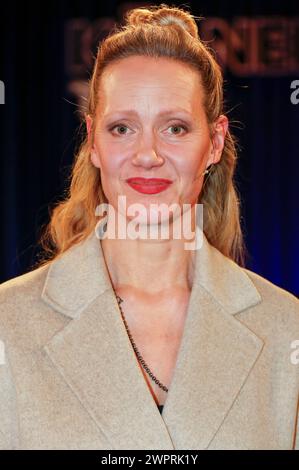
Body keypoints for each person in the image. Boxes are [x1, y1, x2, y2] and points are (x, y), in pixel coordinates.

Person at [0, 4, 298, 450]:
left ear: (214, 143)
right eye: (122, 128)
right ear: (93, 141)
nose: (147, 155)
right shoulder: (8, 322)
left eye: (175, 128)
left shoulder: (285, 328)